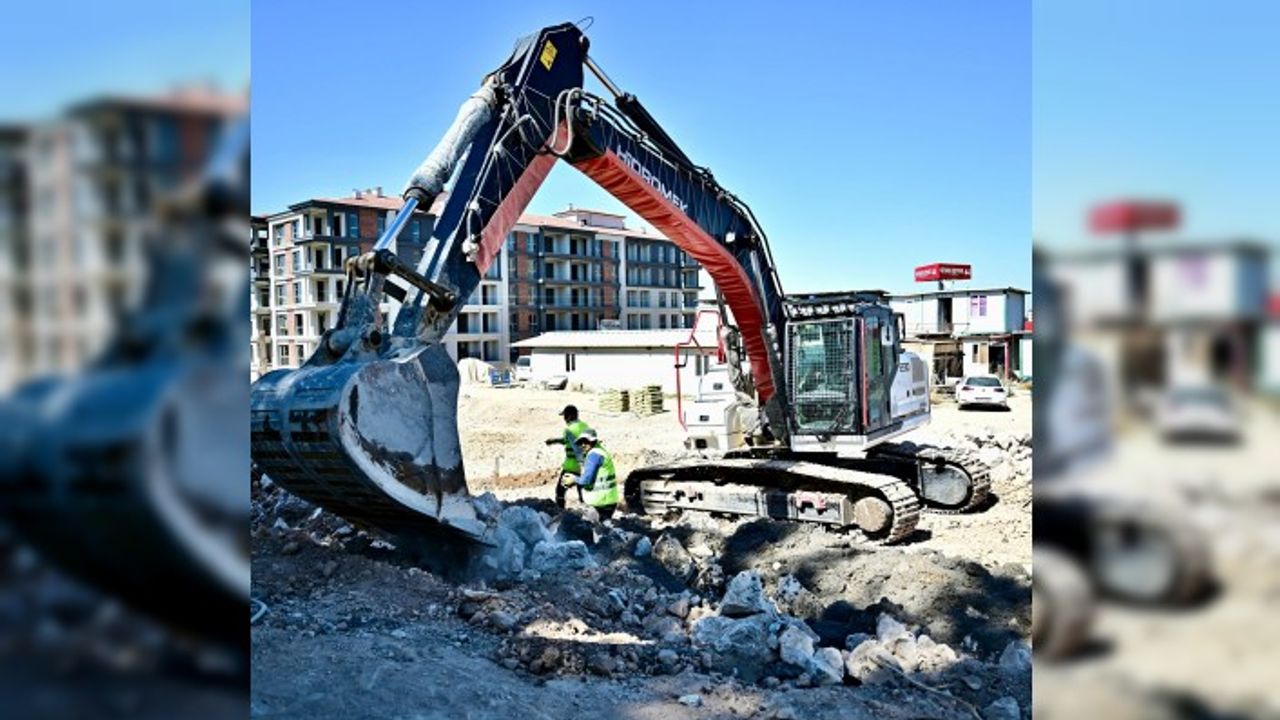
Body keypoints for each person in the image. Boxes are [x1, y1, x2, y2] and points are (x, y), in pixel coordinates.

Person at [544, 405, 591, 507]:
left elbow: (570, 442)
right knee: (582, 493)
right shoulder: (585, 426)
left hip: (572, 466)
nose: (564, 419)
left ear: (570, 416)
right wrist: (555, 441)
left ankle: (561, 511)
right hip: (586, 465)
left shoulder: (569, 429)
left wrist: (553, 441)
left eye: (565, 416)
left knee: (560, 492)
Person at [573, 429, 619, 520]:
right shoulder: (601, 451)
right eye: (581, 443)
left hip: (600, 503)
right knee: (605, 525)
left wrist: (573, 479)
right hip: (609, 500)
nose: (583, 445)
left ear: (593, 441)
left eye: (586, 442)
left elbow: (586, 480)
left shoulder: (594, 455)